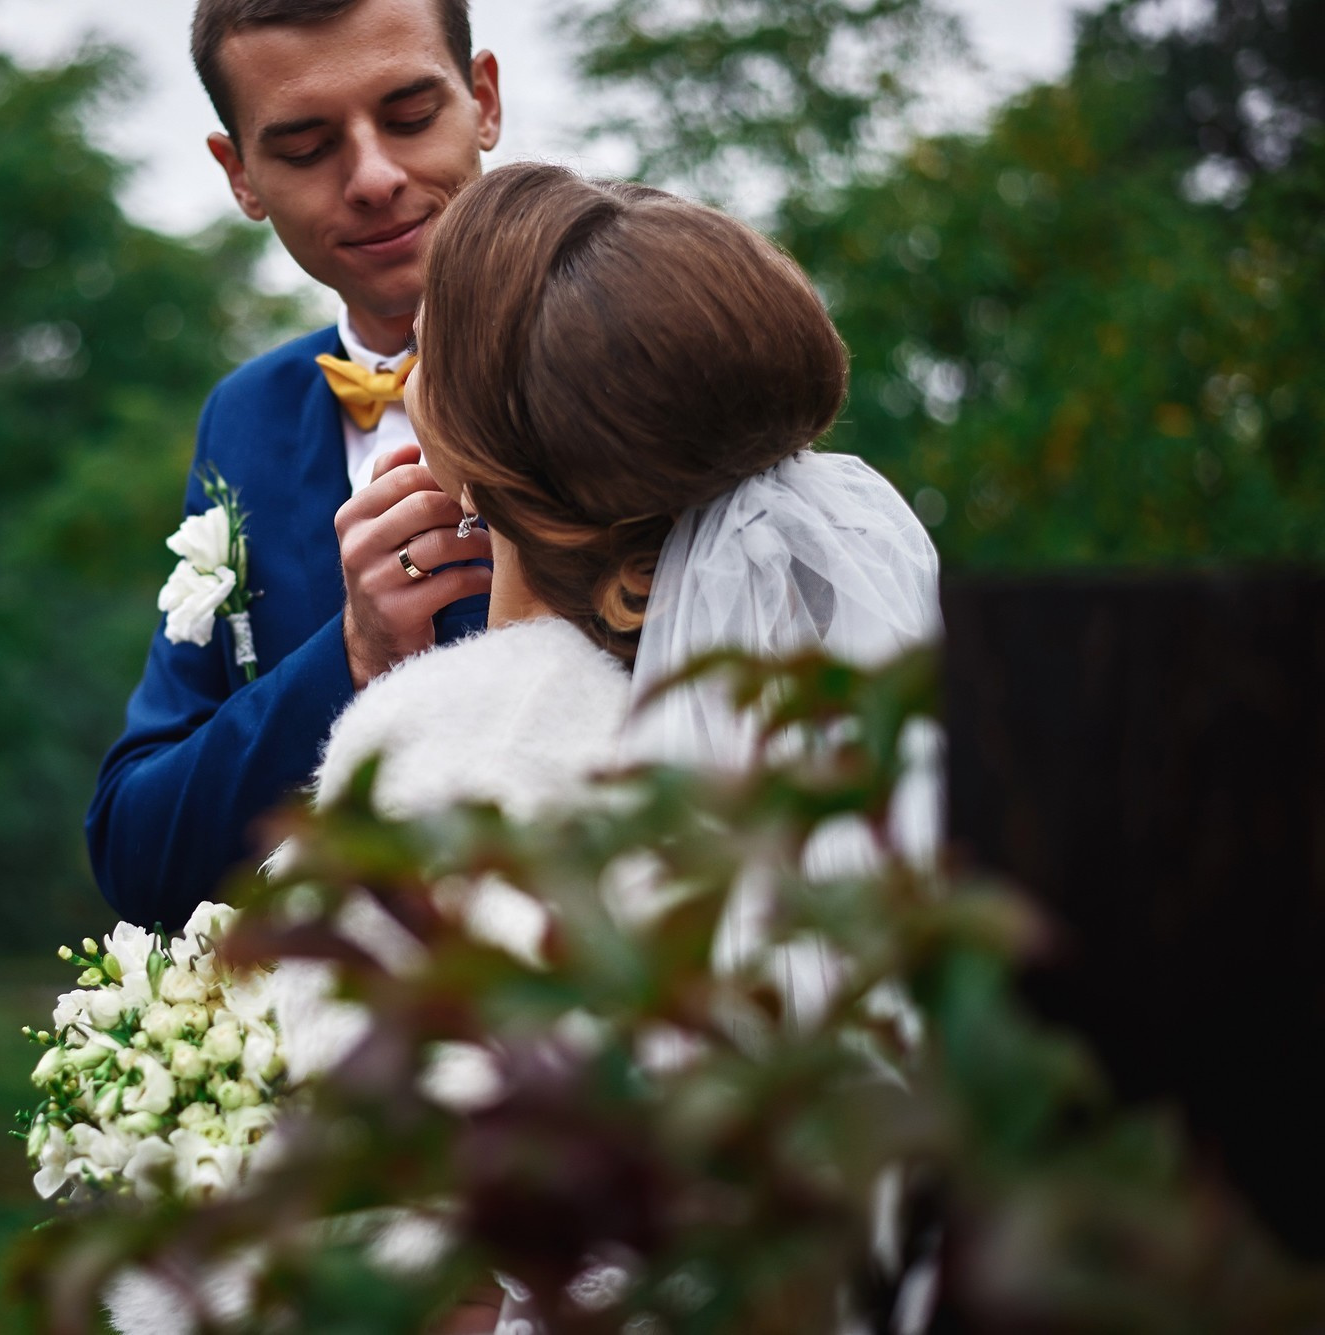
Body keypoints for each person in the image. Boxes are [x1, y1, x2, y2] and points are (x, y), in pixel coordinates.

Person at [299, 160, 946, 1335]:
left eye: (430, 356)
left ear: (475, 452)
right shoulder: (845, 756)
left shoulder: (445, 749)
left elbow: (385, 1267)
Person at [86, 0, 505, 931]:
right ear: (241, 175)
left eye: (408, 115)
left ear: (483, 99)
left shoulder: (643, 356)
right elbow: (136, 849)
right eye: (308, 147)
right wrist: (349, 656)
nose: (373, 177)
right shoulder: (245, 418)